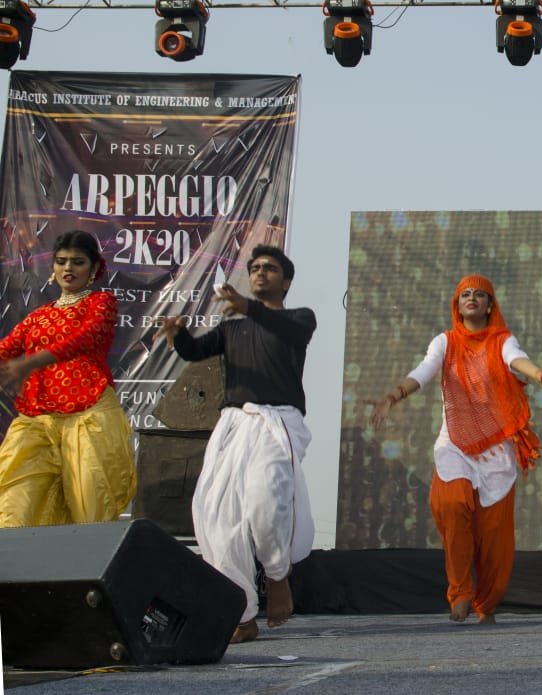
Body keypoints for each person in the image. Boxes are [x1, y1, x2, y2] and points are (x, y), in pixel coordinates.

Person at [371, 274, 542, 625]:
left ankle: (486, 603)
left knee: (494, 541)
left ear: (489, 305)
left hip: (496, 448)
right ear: (457, 304)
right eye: (465, 294)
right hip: (455, 443)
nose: (472, 298)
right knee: (451, 505)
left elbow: (516, 359)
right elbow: (424, 370)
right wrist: (394, 394)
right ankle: (461, 592)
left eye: (479, 294)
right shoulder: (446, 341)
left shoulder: (502, 340)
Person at [158, 245, 315, 644]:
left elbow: (288, 330)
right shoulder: (232, 329)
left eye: (270, 268)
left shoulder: (299, 319)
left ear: (286, 282)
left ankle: (277, 575)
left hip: (276, 421)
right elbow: (194, 351)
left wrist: (249, 308)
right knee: (214, 515)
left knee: (265, 501)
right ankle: (242, 612)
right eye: (255, 268)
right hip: (233, 424)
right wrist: (178, 335)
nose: (260, 273)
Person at [0, 230, 136, 527]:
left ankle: (88, 558)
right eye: (61, 262)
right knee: (15, 507)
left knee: (90, 508)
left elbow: (84, 339)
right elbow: (5, 349)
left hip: (88, 414)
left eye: (78, 262)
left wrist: (32, 362)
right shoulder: (39, 316)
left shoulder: (101, 303)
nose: (68, 268)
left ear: (94, 268)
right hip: (38, 419)